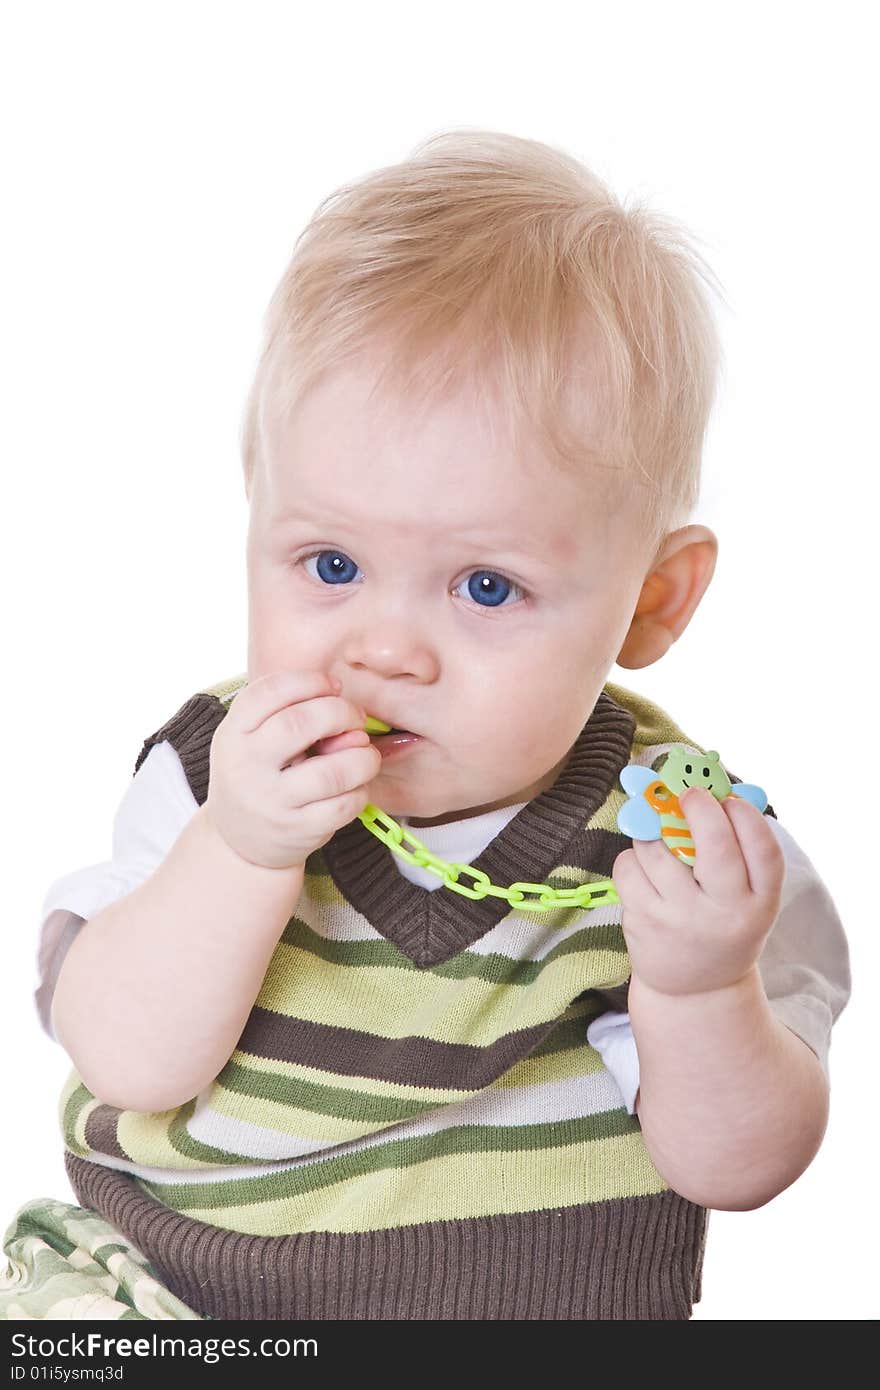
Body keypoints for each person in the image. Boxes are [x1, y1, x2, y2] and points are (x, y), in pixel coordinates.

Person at [0, 130, 851, 1321]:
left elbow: (741, 1168)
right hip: (184, 1291)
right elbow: (130, 1061)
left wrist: (703, 987)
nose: (383, 648)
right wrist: (243, 851)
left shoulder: (679, 848)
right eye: (331, 562)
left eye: (485, 587)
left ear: (650, 601)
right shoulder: (219, 772)